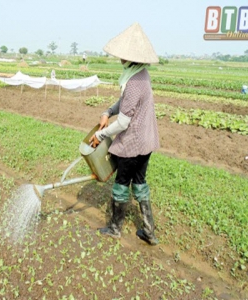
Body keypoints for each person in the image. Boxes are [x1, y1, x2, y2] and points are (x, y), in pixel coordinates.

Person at [89, 22, 160, 245]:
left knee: (121, 184)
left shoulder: (134, 82)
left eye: (122, 55)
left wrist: (100, 135)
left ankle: (114, 228)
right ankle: (149, 231)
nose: (119, 58)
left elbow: (123, 122)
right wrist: (107, 111)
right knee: (139, 183)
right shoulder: (141, 74)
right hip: (146, 142)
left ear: (130, 57)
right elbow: (125, 103)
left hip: (133, 144)